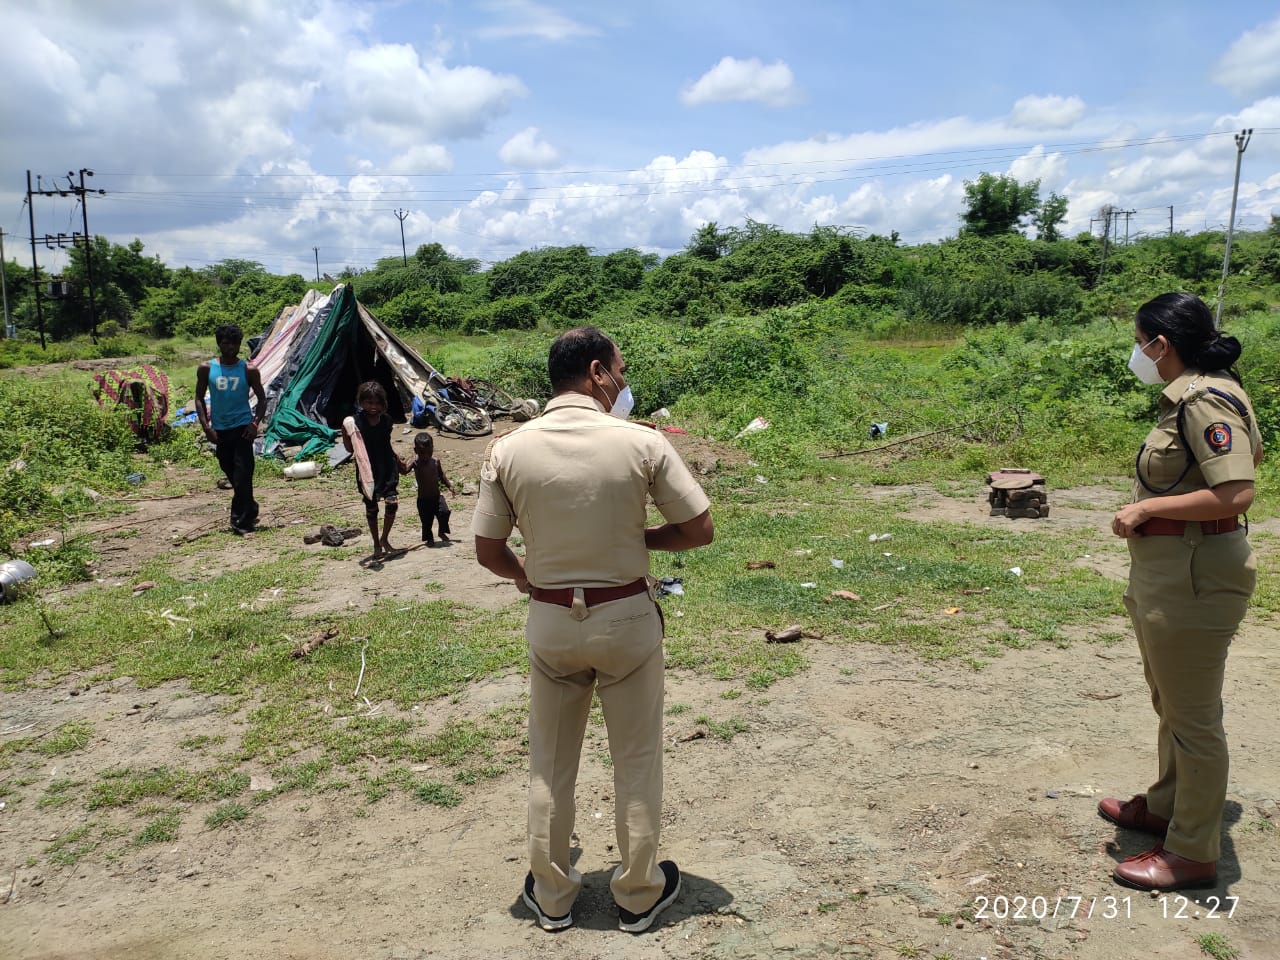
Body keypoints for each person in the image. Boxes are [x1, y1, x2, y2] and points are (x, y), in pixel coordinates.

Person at [473, 326, 714, 934]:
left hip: (552, 621)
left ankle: (552, 895)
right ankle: (638, 893)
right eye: (620, 369)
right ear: (598, 372)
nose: (624, 380)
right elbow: (698, 529)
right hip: (627, 618)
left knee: (550, 762)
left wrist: (531, 578)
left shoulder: (509, 449)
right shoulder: (641, 443)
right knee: (635, 759)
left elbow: (486, 547)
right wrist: (637, 540)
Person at [1102, 292, 1263, 891]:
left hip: (1195, 572)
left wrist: (1147, 508)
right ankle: (1169, 805)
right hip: (1172, 568)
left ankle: (1193, 853)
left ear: (1161, 345)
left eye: (1139, 340)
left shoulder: (1206, 400)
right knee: (1171, 702)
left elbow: (1235, 493)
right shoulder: (1192, 396)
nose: (1137, 352)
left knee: (1193, 718)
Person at [195, 324, 266, 535]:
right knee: (231, 471)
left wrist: (255, 424)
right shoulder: (207, 368)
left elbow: (262, 399)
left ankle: (240, 522)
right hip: (220, 430)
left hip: (243, 428)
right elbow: (198, 398)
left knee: (243, 475)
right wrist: (206, 427)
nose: (230, 347)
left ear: (239, 345)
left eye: (234, 343)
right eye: (226, 343)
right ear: (219, 343)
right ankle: (251, 507)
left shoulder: (248, 370)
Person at [341, 381, 408, 561]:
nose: (373, 407)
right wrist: (346, 433)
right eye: (369, 403)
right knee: (372, 508)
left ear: (383, 403)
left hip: (387, 467)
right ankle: (376, 544)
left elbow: (386, 444)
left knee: (392, 502)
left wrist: (398, 460)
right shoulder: (355, 423)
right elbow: (349, 449)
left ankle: (384, 538)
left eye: (377, 403)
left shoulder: (386, 420)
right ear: (361, 402)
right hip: (367, 471)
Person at [407, 432, 456, 546]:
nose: (426, 455)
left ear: (433, 448)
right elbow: (404, 470)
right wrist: (396, 461)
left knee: (444, 512)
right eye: (422, 453)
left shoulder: (435, 462)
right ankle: (429, 538)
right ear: (416, 451)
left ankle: (441, 531)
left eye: (429, 452)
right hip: (423, 499)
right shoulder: (415, 462)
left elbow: (441, 476)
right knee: (426, 521)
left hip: (437, 497)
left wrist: (449, 486)